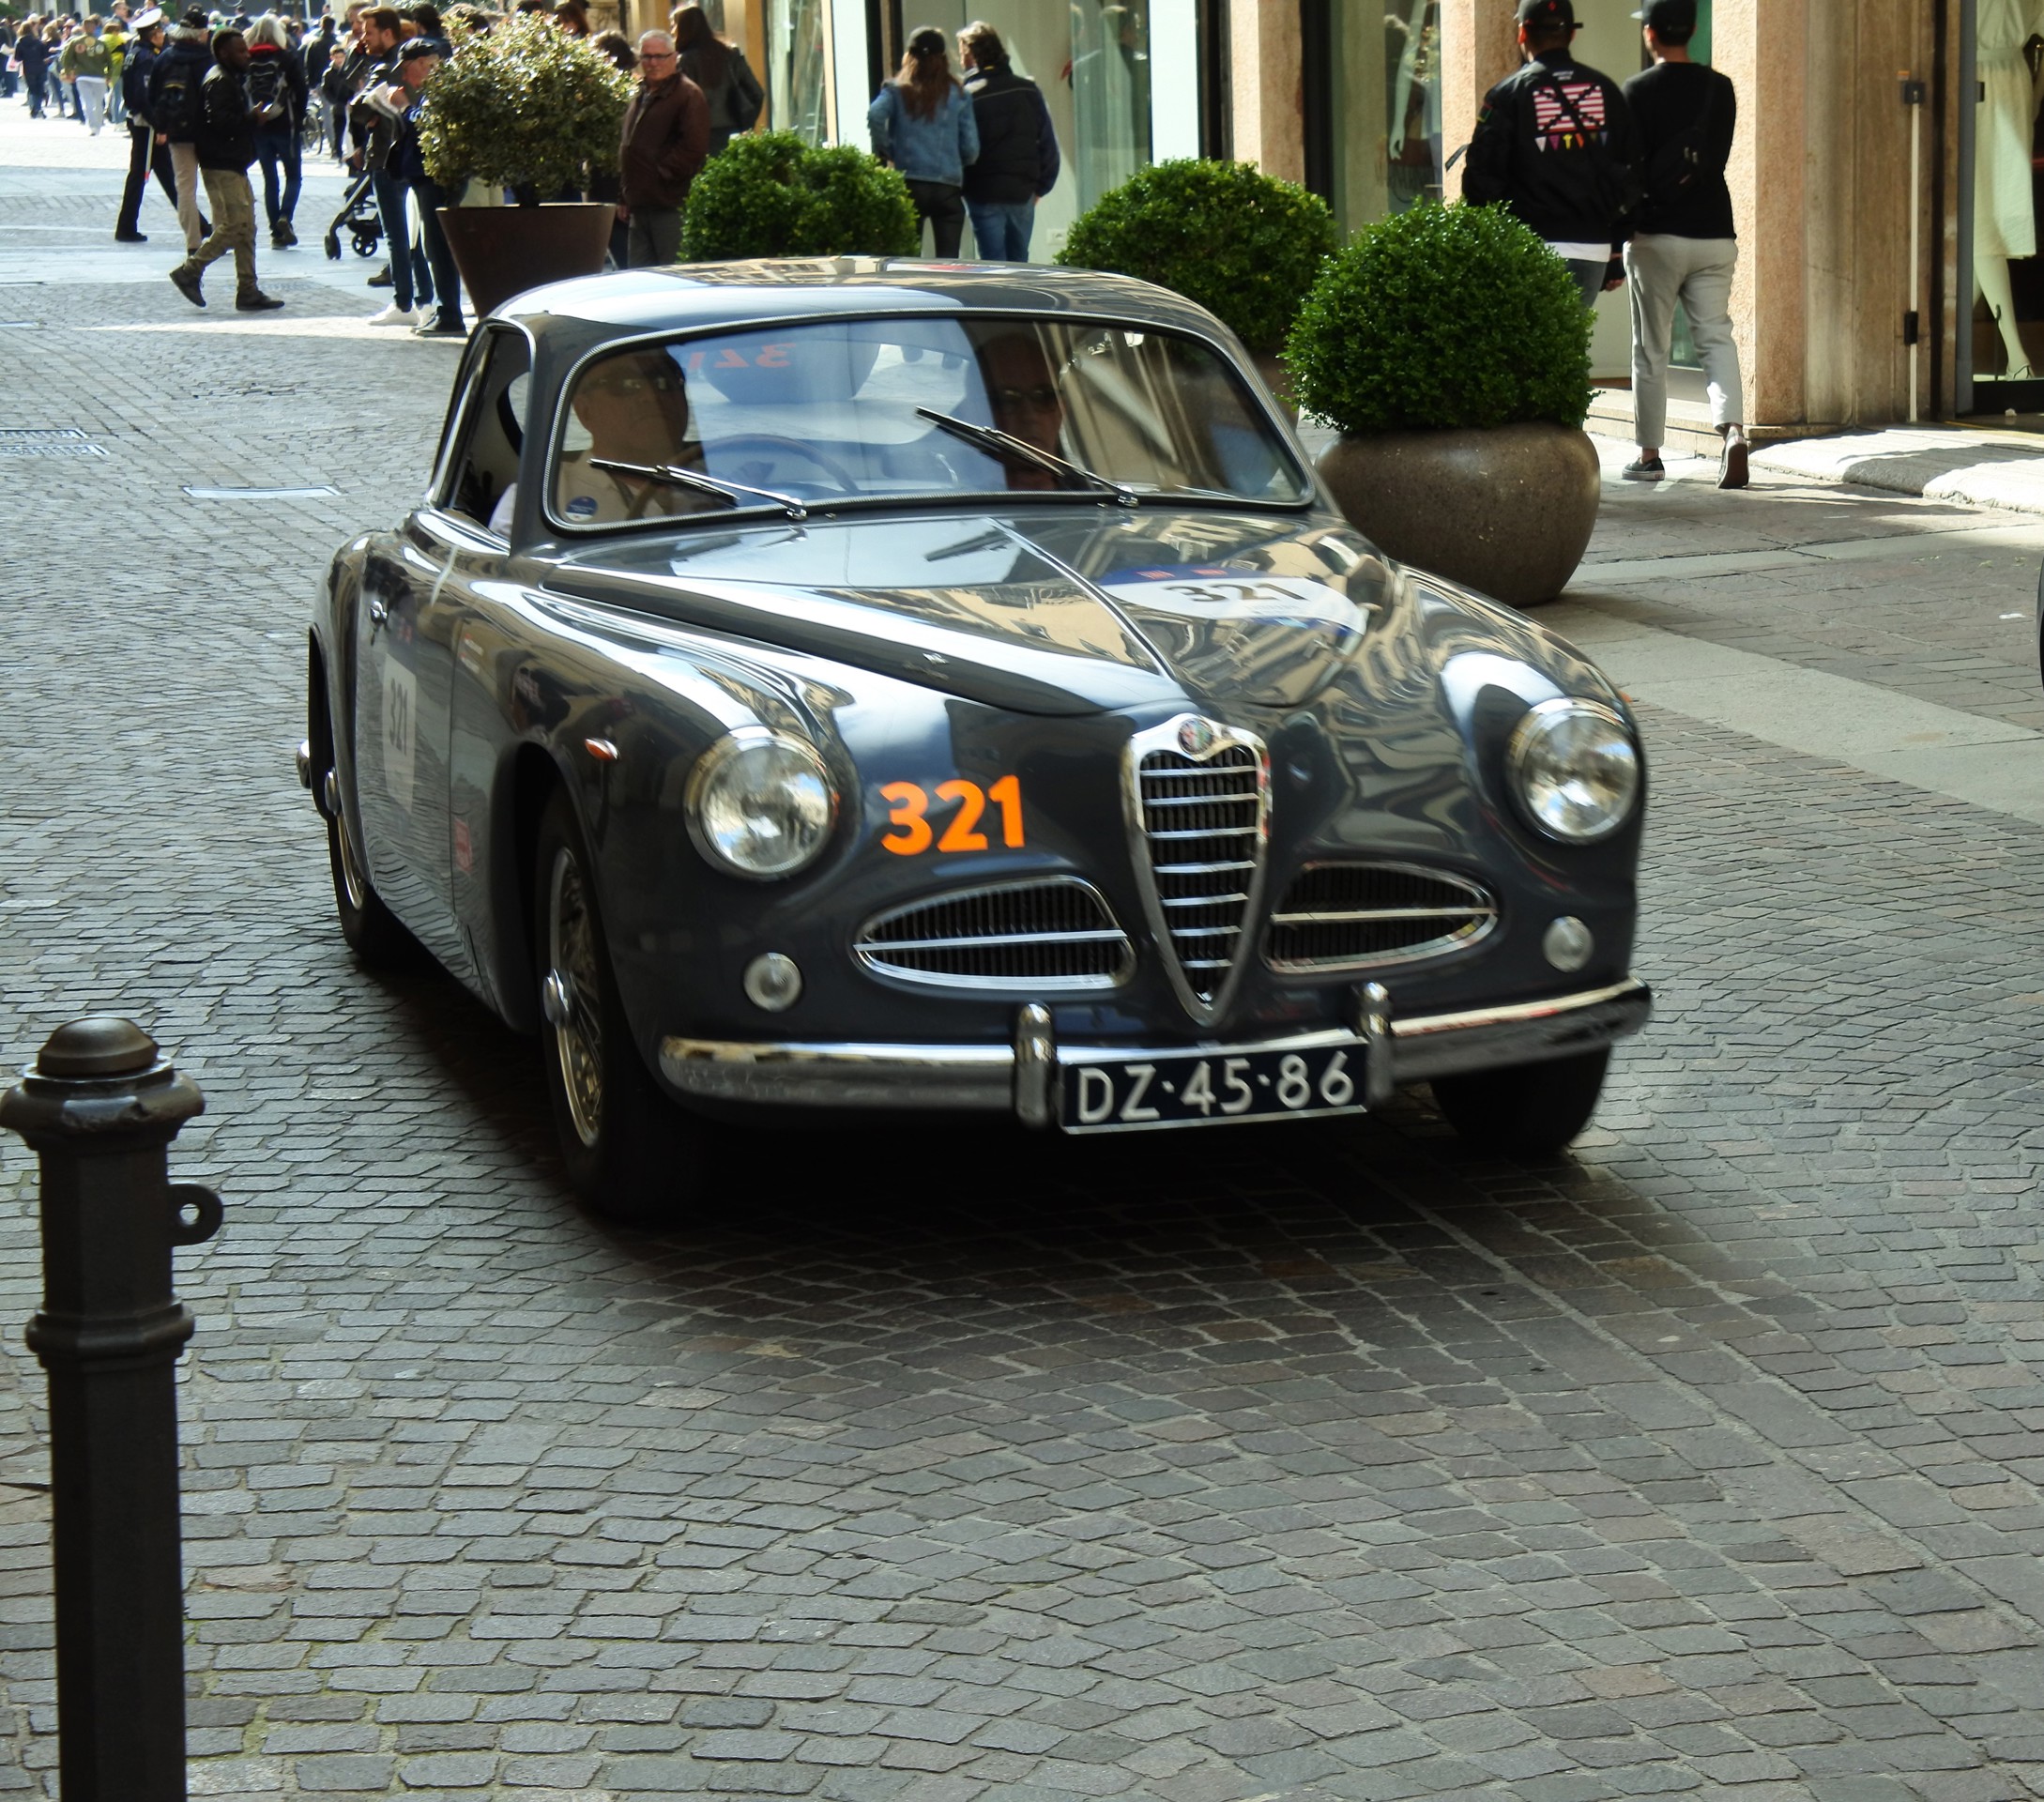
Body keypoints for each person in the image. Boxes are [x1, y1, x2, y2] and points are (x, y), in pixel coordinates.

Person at [1621, 0, 1745, 487]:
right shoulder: (1721, 88)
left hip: (1657, 236)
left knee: (1650, 347)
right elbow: (1718, 158)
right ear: (1693, 29)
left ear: (1650, 33)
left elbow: (1628, 169)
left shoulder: (1636, 91)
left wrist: (1622, 231)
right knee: (1715, 335)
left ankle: (1649, 455)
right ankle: (1733, 432)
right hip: (1715, 231)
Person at [1463, 0, 1638, 309]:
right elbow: (1631, 169)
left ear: (1522, 34)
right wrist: (1617, 243)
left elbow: (1482, 175)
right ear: (1572, 34)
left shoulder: (1507, 94)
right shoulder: (1606, 91)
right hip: (1592, 247)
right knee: (1571, 335)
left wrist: (1486, 238)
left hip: (1525, 246)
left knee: (1529, 337)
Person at [488, 345, 704, 534]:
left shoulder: (721, 479)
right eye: (625, 384)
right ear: (585, 410)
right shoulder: (535, 502)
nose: (651, 395)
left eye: (665, 380)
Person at [170, 26, 284, 310]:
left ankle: (248, 289)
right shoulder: (219, 80)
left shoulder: (228, 77)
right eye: (241, 51)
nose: (247, 55)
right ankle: (190, 270)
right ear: (224, 53)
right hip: (221, 163)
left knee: (247, 228)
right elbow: (220, 122)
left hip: (233, 162)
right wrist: (252, 118)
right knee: (235, 226)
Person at [352, 7, 435, 322]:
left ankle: (405, 303)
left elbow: (358, 107)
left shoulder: (387, 68)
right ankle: (424, 300)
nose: (363, 38)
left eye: (368, 32)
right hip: (409, 156)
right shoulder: (409, 63)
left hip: (388, 157)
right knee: (414, 233)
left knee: (398, 235)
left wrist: (369, 111)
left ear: (387, 33)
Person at [868, 25, 977, 258]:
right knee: (948, 263)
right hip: (948, 187)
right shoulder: (959, 94)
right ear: (944, 59)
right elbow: (971, 148)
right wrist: (958, 161)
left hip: (910, 184)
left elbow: (875, 114)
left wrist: (887, 150)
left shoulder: (896, 90)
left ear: (909, 57)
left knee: (907, 260)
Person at [956, 21, 1057, 262]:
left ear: (971, 56)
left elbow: (961, 147)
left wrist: (961, 187)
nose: (960, 61)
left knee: (993, 266)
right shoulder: (1028, 90)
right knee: (1020, 265)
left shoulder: (967, 96)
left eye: (961, 54)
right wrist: (1040, 187)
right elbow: (1047, 143)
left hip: (983, 192)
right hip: (1023, 192)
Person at [385, 37, 464, 336]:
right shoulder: (438, 87)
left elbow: (430, 125)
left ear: (421, 64)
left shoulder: (439, 89)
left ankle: (450, 314)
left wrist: (405, 108)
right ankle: (448, 311)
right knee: (435, 244)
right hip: (430, 175)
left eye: (406, 69)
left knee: (438, 246)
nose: (405, 77)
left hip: (435, 176)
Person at [617, 29, 707, 267]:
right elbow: (629, 146)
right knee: (640, 275)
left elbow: (693, 148)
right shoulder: (641, 93)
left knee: (672, 273)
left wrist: (660, 175)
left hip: (669, 204)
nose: (653, 63)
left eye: (659, 56)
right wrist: (625, 194)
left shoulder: (688, 94)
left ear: (674, 58)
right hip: (639, 204)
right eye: (647, 57)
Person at [150, 6, 218, 256]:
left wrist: (161, 127)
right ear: (201, 33)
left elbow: (153, 96)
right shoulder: (208, 59)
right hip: (208, 132)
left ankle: (192, 241)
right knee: (215, 186)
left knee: (185, 188)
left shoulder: (165, 58)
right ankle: (219, 237)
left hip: (177, 132)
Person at [115, 8, 183, 242]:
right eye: (160, 32)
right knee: (140, 175)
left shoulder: (135, 53)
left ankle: (199, 224)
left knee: (166, 175)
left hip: (143, 121)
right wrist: (159, 125)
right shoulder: (146, 57)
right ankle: (126, 227)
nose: (163, 35)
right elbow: (144, 95)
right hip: (148, 124)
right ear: (153, 34)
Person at [245, 13, 306, 248]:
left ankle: (275, 233)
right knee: (293, 176)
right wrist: (299, 118)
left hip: (259, 125)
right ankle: (285, 216)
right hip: (285, 124)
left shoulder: (247, 58)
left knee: (270, 180)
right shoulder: (287, 57)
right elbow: (301, 89)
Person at [670, 5, 759, 157]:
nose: (672, 31)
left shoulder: (685, 61)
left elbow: (679, 102)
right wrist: (746, 121)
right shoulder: (730, 54)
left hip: (698, 134)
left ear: (683, 28)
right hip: (733, 131)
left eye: (673, 25)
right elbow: (756, 92)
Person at [59, 15, 111, 135]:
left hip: (82, 76)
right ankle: (98, 126)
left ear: (83, 28)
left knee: (87, 102)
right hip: (99, 77)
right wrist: (109, 75)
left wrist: (68, 71)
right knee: (98, 103)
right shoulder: (101, 43)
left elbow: (65, 59)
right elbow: (109, 61)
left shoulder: (75, 42)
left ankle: (92, 126)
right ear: (95, 27)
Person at [17, 21, 51, 118]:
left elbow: (17, 58)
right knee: (39, 89)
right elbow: (45, 56)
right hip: (40, 68)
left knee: (32, 90)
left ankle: (35, 109)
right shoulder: (38, 42)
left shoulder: (20, 42)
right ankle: (37, 109)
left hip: (28, 69)